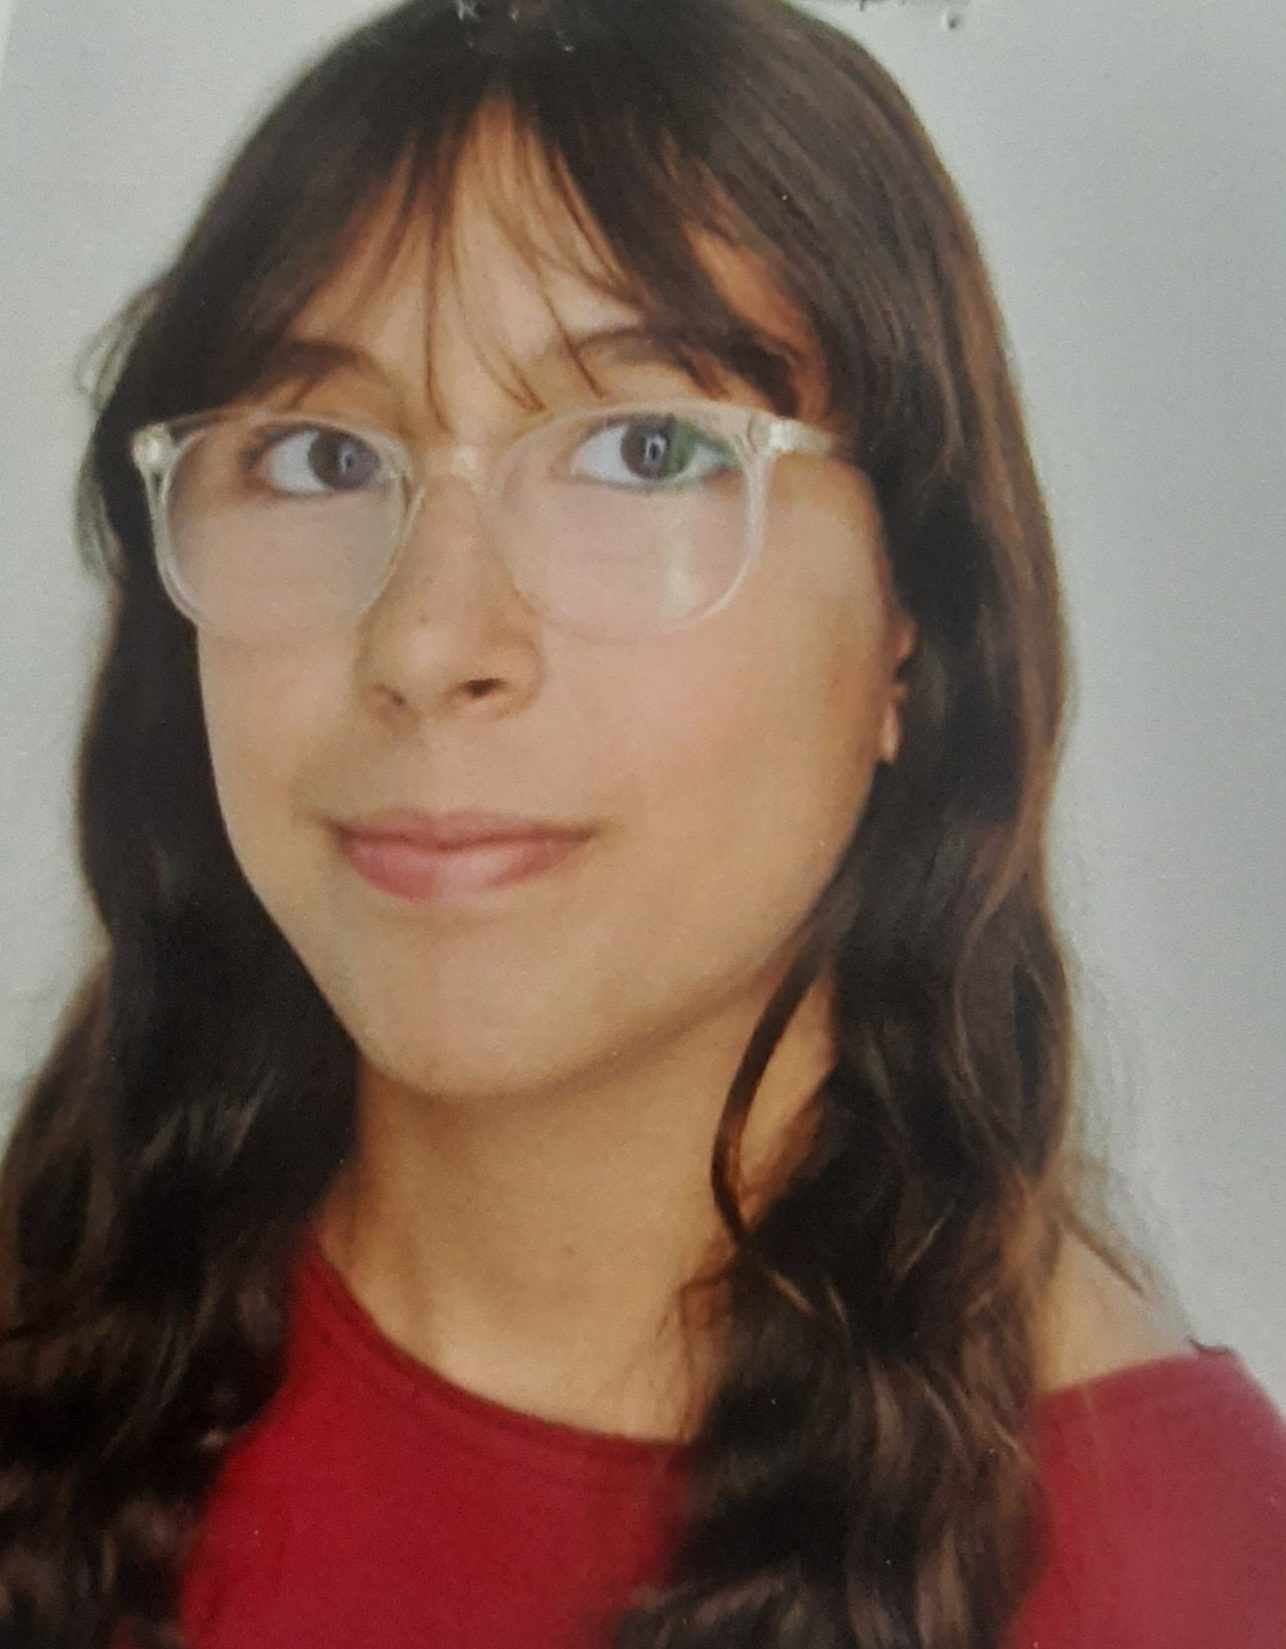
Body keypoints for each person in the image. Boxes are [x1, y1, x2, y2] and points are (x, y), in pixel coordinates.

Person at [1, 0, 1283, 1645]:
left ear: (915, 619)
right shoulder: (49, 1327)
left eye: (642, 448)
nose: (426, 642)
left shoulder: (1168, 1567)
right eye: (317, 457)